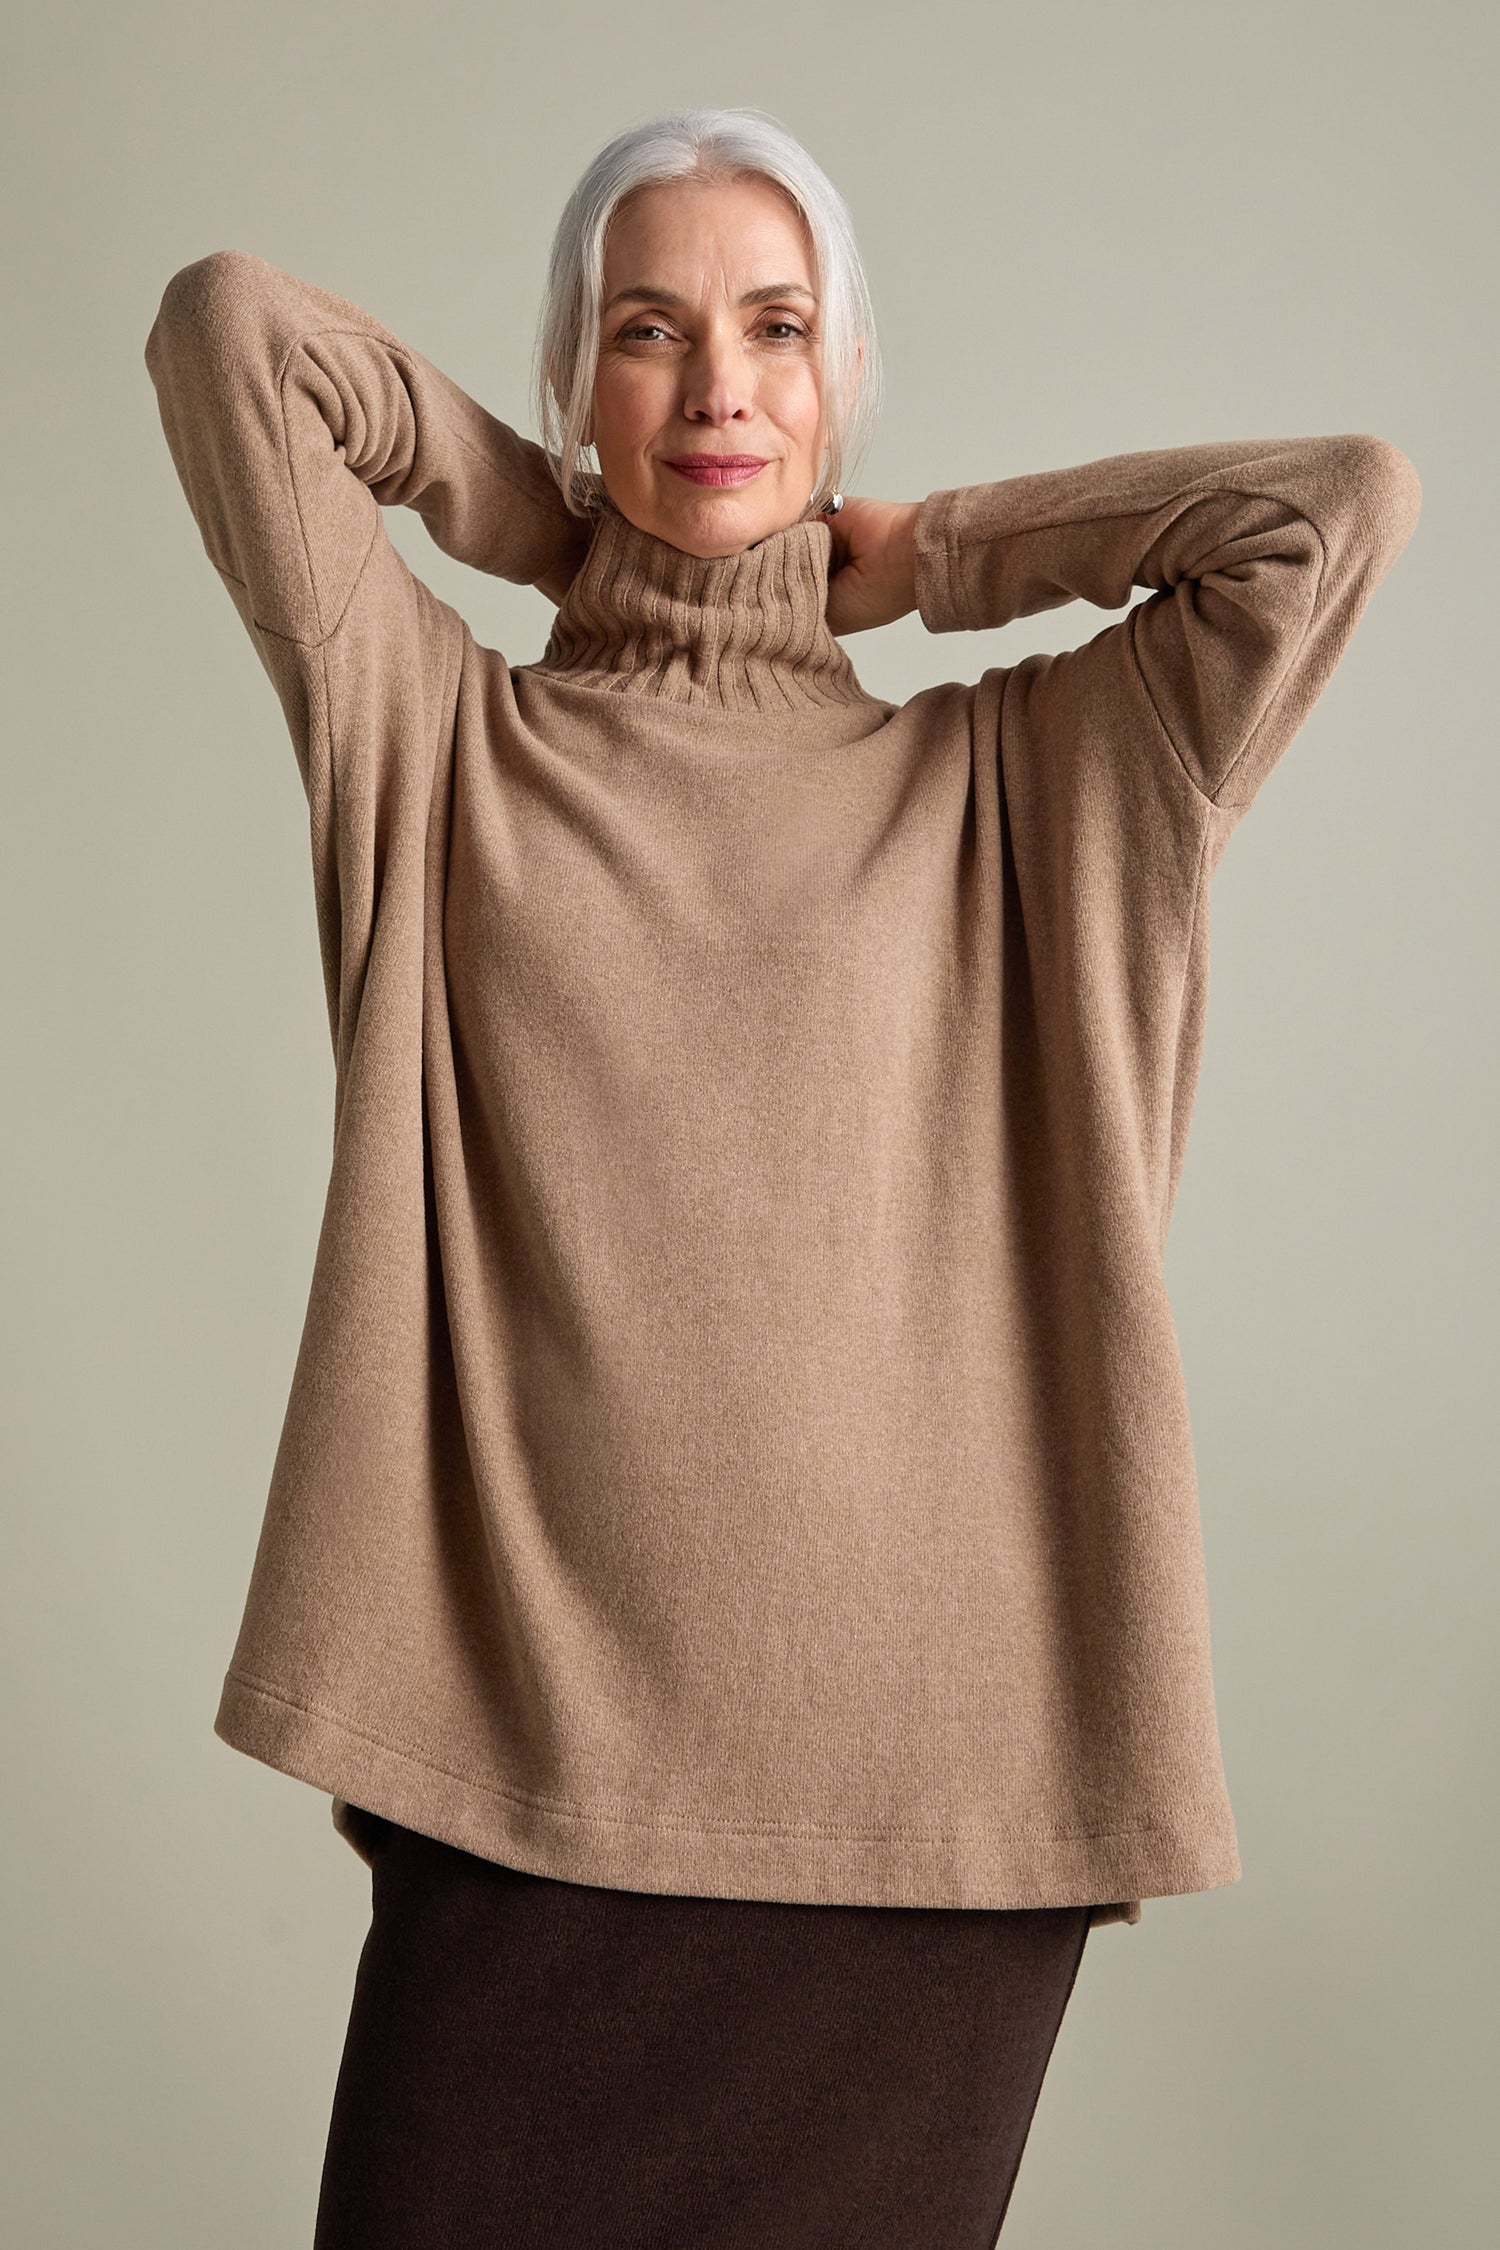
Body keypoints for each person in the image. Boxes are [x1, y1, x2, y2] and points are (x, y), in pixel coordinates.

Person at [143, 106, 1420, 2250]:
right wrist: (553, 533)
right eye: (645, 333)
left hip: (928, 1807)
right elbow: (232, 341)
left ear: (841, 385)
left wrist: (925, 557)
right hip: (521, 1768)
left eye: (776, 328)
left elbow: (1330, 518)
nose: (718, 386)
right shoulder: (440, 747)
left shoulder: (1029, 776)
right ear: (575, 390)